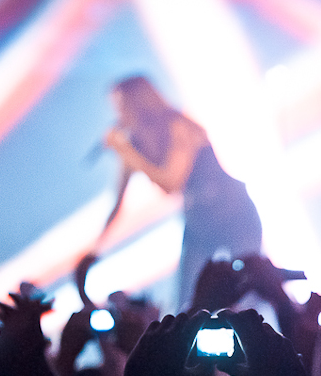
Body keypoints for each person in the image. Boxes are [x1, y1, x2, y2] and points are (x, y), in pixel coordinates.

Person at [97, 76, 263, 309]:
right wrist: (95, 248)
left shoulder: (179, 127)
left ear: (137, 104)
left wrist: (126, 151)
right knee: (188, 303)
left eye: (120, 105)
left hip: (234, 214)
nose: (117, 114)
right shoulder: (134, 145)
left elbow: (172, 183)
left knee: (252, 289)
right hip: (199, 222)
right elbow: (117, 203)